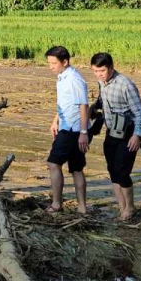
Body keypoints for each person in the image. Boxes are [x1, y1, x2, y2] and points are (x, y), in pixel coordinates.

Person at [90, 53, 141, 221]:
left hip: (128, 133)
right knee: (112, 170)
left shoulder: (125, 84)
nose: (99, 74)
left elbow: (140, 113)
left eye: (102, 70)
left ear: (111, 68)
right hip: (111, 132)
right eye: (95, 71)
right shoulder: (101, 83)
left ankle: (130, 208)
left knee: (122, 172)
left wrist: (137, 135)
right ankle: (122, 209)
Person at [45, 46, 90, 214]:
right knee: (76, 168)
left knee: (53, 163)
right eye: (49, 63)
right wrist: (55, 120)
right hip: (68, 126)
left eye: (54, 63)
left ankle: (57, 204)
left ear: (65, 62)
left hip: (73, 130)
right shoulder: (63, 77)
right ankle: (82, 207)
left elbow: (83, 105)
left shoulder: (74, 79)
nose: (51, 67)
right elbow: (65, 102)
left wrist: (83, 133)